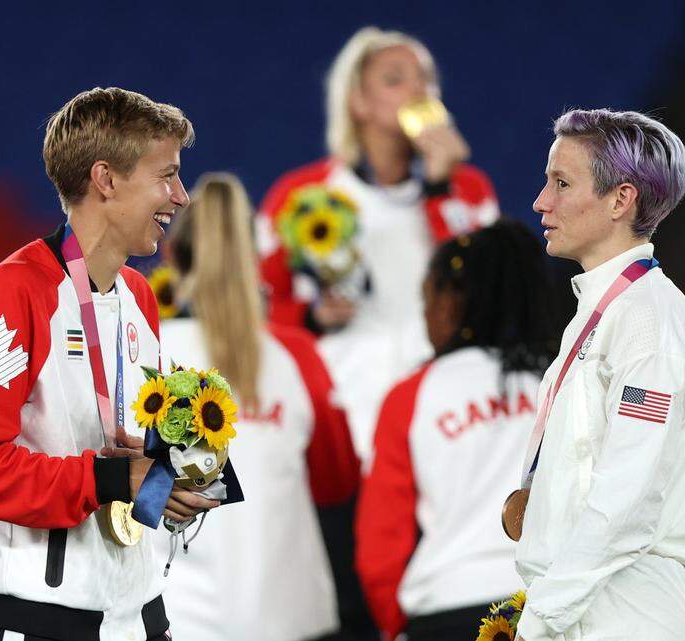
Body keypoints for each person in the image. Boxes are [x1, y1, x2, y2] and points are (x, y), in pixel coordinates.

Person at [0, 87, 219, 641]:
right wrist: (112, 476)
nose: (181, 196)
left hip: (139, 615)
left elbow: (127, 453)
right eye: (166, 176)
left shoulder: (139, 296)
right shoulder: (14, 293)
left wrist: (168, 485)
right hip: (38, 619)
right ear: (106, 180)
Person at [256, 26, 500, 465]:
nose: (417, 90)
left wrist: (442, 187)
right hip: (337, 414)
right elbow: (253, 306)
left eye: (426, 79)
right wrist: (310, 316)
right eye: (395, 79)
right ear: (357, 101)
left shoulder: (469, 190)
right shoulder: (300, 194)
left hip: (443, 410)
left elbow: (492, 294)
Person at [513, 109, 685, 641]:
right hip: (583, 602)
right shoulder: (606, 312)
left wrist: (541, 618)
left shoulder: (648, 319)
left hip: (623, 611)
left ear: (621, 200)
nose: (540, 202)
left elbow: (628, 493)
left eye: (561, 183)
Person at [151, 173, 360, 641]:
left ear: (173, 258)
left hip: (180, 618)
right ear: (255, 263)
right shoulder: (296, 356)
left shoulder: (148, 355)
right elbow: (337, 482)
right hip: (292, 618)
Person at [356, 219, 558, 641]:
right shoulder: (558, 381)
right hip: (551, 604)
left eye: (426, 299)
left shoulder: (412, 395)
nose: (425, 315)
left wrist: (399, 628)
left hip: (446, 611)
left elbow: (381, 545)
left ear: (450, 304)